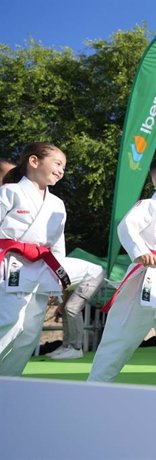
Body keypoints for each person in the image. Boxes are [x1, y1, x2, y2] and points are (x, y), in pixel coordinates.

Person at [88, 156, 156, 387]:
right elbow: (126, 227)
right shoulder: (147, 205)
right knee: (120, 338)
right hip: (144, 279)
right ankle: (98, 383)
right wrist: (139, 251)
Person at [0, 142, 69, 376]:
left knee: (29, 333)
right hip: (10, 266)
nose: (61, 171)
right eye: (57, 164)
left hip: (41, 270)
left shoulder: (57, 204)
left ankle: (9, 382)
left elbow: (57, 245)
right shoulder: (10, 192)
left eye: (64, 167)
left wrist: (57, 281)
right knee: (10, 323)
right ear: (33, 161)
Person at [46, 257, 106, 360]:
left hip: (94, 275)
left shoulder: (50, 267)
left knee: (72, 308)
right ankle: (66, 346)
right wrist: (61, 305)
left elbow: (59, 287)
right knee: (65, 308)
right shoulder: (47, 266)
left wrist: (51, 300)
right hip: (79, 281)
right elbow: (64, 287)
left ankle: (76, 348)